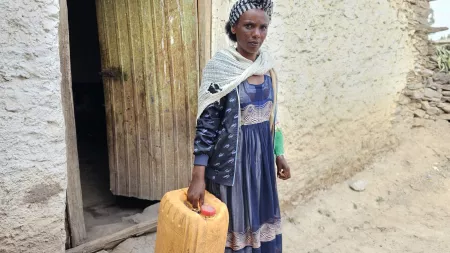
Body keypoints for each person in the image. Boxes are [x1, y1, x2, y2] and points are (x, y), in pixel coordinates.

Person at [187, 0, 291, 252]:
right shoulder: (221, 69)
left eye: (262, 27)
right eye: (248, 26)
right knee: (232, 227)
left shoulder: (267, 68)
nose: (256, 34)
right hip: (231, 168)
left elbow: (271, 118)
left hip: (262, 164)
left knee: (260, 217)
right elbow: (207, 126)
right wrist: (197, 177)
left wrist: (279, 154)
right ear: (234, 28)